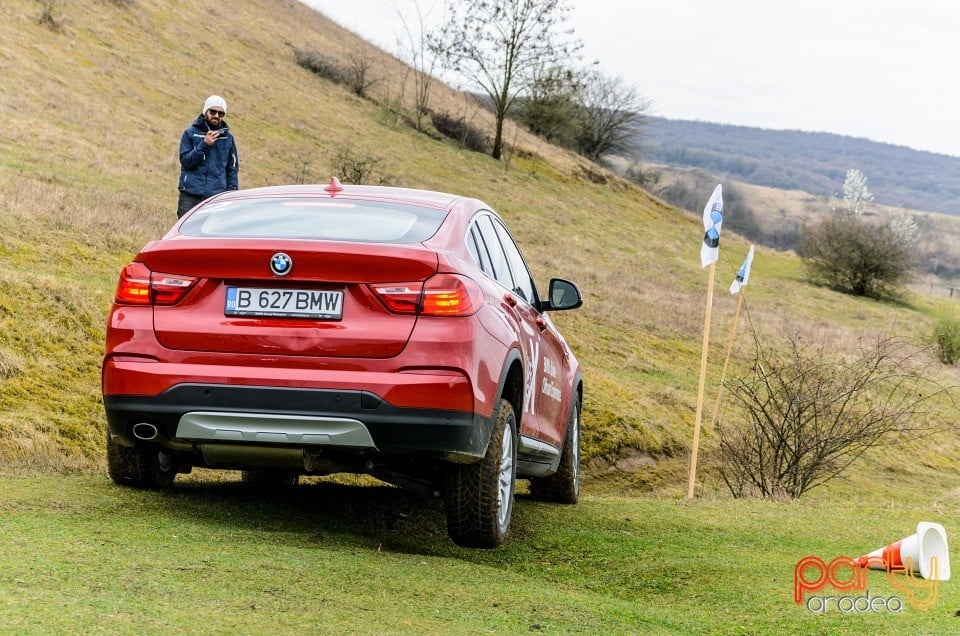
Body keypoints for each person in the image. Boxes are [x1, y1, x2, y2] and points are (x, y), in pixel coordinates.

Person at [177, 95, 239, 218]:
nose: (216, 115)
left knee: (209, 235)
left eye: (221, 113)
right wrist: (204, 144)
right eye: (213, 111)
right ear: (205, 111)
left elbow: (232, 169)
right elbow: (186, 162)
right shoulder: (190, 133)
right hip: (190, 194)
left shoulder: (228, 138)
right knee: (185, 233)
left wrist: (231, 195)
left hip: (216, 198)